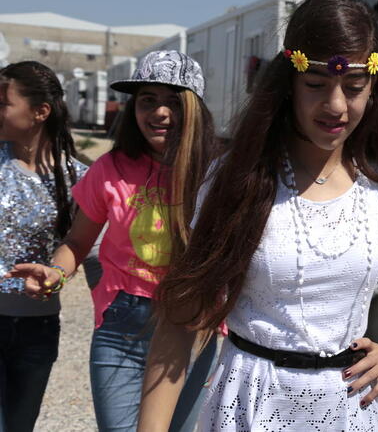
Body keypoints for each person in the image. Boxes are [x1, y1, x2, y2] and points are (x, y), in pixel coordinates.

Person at [137, 0, 378, 431]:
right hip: (249, 402)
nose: (337, 105)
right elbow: (179, 321)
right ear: (288, 84)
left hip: (347, 409)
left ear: (374, 87)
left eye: (355, 88)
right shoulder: (238, 176)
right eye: (316, 84)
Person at [7, 51, 218, 431]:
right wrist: (56, 272)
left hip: (192, 330)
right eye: (148, 100)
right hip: (122, 328)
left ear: (195, 107)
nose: (160, 112)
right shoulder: (111, 168)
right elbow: (76, 242)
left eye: (173, 100)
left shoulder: (218, 173)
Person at [0, 61, 87, 431]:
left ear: (40, 112)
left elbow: (86, 250)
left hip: (38, 329)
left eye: (3, 102)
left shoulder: (79, 178)